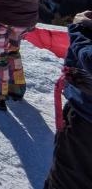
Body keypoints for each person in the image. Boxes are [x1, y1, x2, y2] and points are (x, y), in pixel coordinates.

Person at [44, 10, 92, 189]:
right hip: (23, 15)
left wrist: (82, 30)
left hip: (86, 119)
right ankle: (13, 86)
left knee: (67, 180)